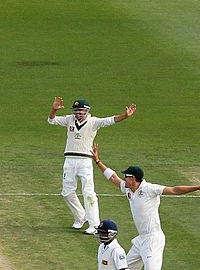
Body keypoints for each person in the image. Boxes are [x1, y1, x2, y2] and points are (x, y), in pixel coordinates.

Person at [92, 144, 200, 270]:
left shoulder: (149, 189)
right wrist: (98, 161)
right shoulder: (127, 188)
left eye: (128, 176)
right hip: (141, 239)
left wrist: (197, 187)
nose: (125, 178)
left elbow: (174, 190)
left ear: (136, 179)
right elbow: (113, 177)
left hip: (153, 240)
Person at [48, 97, 136, 234]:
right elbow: (51, 120)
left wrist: (125, 115)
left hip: (85, 161)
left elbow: (110, 120)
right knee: (66, 193)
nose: (78, 113)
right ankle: (81, 217)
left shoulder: (93, 122)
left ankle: (94, 225)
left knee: (88, 192)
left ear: (86, 111)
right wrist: (54, 109)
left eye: (81, 110)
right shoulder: (69, 119)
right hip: (69, 160)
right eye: (76, 111)